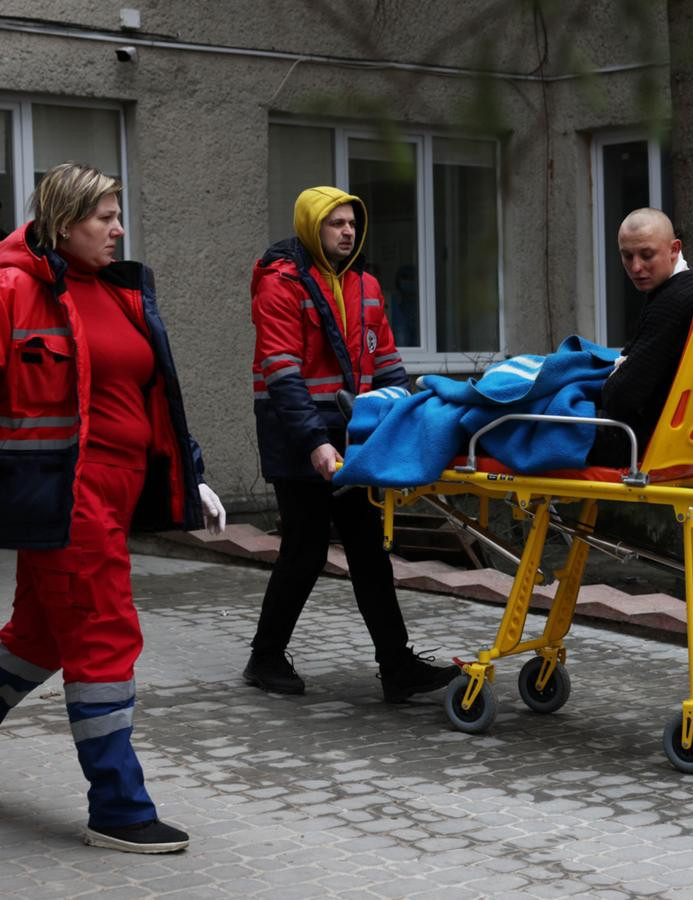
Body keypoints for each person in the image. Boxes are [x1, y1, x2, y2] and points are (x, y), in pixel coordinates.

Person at [0, 162, 226, 853]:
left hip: (117, 494)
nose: (119, 229)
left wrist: (191, 473)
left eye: (117, 215)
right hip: (67, 495)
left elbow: (154, 397)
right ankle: (119, 808)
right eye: (105, 217)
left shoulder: (121, 291)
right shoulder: (13, 289)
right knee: (103, 632)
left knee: (39, 638)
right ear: (64, 222)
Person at [247, 186, 459, 701]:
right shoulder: (280, 284)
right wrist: (315, 443)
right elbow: (282, 374)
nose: (348, 232)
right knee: (305, 549)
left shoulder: (365, 284)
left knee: (367, 549)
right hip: (298, 435)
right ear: (311, 228)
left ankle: (396, 666)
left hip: (353, 433)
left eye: (352, 224)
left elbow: (385, 363)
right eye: (335, 223)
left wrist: (407, 420)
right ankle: (265, 657)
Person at [588, 208, 693, 465]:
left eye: (647, 255)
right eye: (627, 256)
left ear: (674, 249)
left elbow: (620, 398)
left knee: (522, 423)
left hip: (639, 441)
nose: (636, 267)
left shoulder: (671, 302)